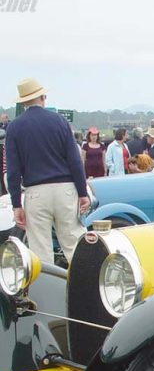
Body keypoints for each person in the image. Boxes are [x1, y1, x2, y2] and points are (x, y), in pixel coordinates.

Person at [5, 78, 89, 264]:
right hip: (65, 189)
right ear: (43, 97)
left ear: (23, 102)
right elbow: (75, 161)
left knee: (40, 251)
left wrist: (16, 204)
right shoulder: (59, 121)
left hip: (36, 193)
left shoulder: (14, 127)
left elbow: (12, 171)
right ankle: (87, 287)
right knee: (74, 244)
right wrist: (82, 193)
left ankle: (46, 290)